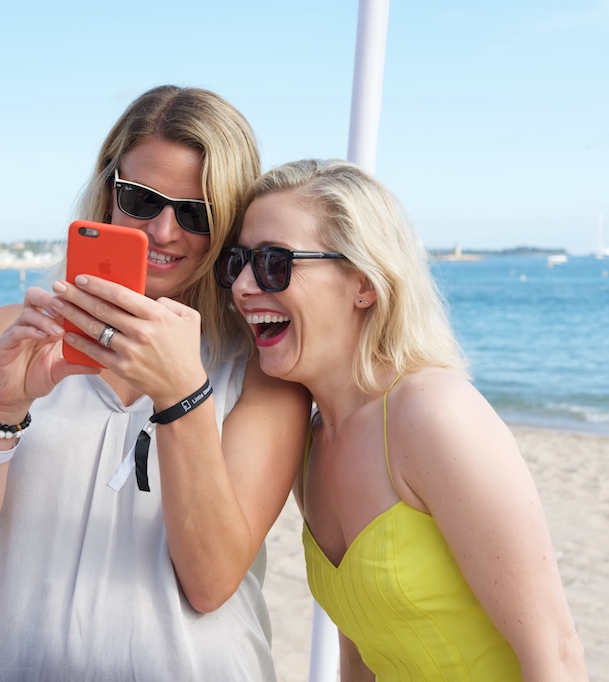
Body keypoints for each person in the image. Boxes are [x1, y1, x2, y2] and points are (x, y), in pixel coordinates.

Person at [0, 86, 312, 681]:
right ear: (108, 193)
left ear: (228, 222)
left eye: (197, 213)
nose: (164, 231)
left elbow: (210, 582)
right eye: (141, 200)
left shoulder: (260, 369)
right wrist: (1, 410)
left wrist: (181, 394)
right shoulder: (12, 335)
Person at [215, 159, 589, 680]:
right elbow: (360, 656)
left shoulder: (433, 414)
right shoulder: (313, 445)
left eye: (274, 262)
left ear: (364, 283)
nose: (242, 286)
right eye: (238, 262)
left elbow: (555, 655)